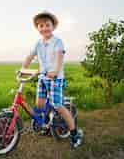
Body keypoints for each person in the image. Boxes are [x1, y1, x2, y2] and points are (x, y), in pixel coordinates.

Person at [22, 11, 83, 149]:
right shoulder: (38, 43)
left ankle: (74, 134)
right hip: (43, 77)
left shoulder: (57, 42)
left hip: (55, 78)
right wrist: (23, 69)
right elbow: (29, 56)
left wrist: (55, 70)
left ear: (53, 26)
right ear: (38, 28)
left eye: (47, 25)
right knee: (39, 104)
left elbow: (59, 57)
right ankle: (46, 126)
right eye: (41, 25)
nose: (44, 28)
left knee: (58, 106)